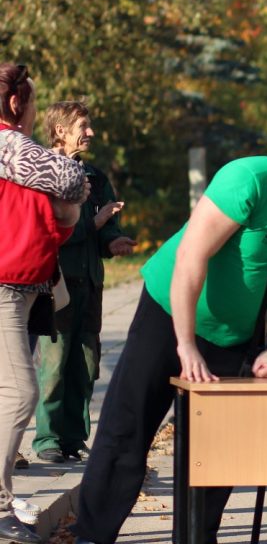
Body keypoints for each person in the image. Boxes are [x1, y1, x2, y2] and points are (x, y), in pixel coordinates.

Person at [71, 126, 267, 544]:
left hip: (236, 335)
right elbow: (191, 255)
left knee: (217, 448)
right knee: (129, 428)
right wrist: (185, 344)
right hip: (169, 313)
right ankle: (92, 535)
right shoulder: (251, 179)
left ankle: (197, 536)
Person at [0, 62, 88, 544]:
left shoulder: (17, 153)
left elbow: (54, 216)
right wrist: (71, 198)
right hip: (5, 286)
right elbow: (72, 183)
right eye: (33, 101)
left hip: (22, 285)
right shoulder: (11, 144)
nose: (34, 110)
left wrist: (64, 213)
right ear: (17, 103)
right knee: (19, 393)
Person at [33, 102, 137, 465]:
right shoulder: (42, 173)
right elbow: (48, 231)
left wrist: (114, 240)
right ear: (61, 131)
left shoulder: (96, 177)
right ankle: (47, 438)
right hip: (56, 284)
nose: (90, 132)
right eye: (83, 126)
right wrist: (93, 225)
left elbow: (106, 226)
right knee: (54, 364)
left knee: (87, 362)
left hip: (90, 284)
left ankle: (74, 439)